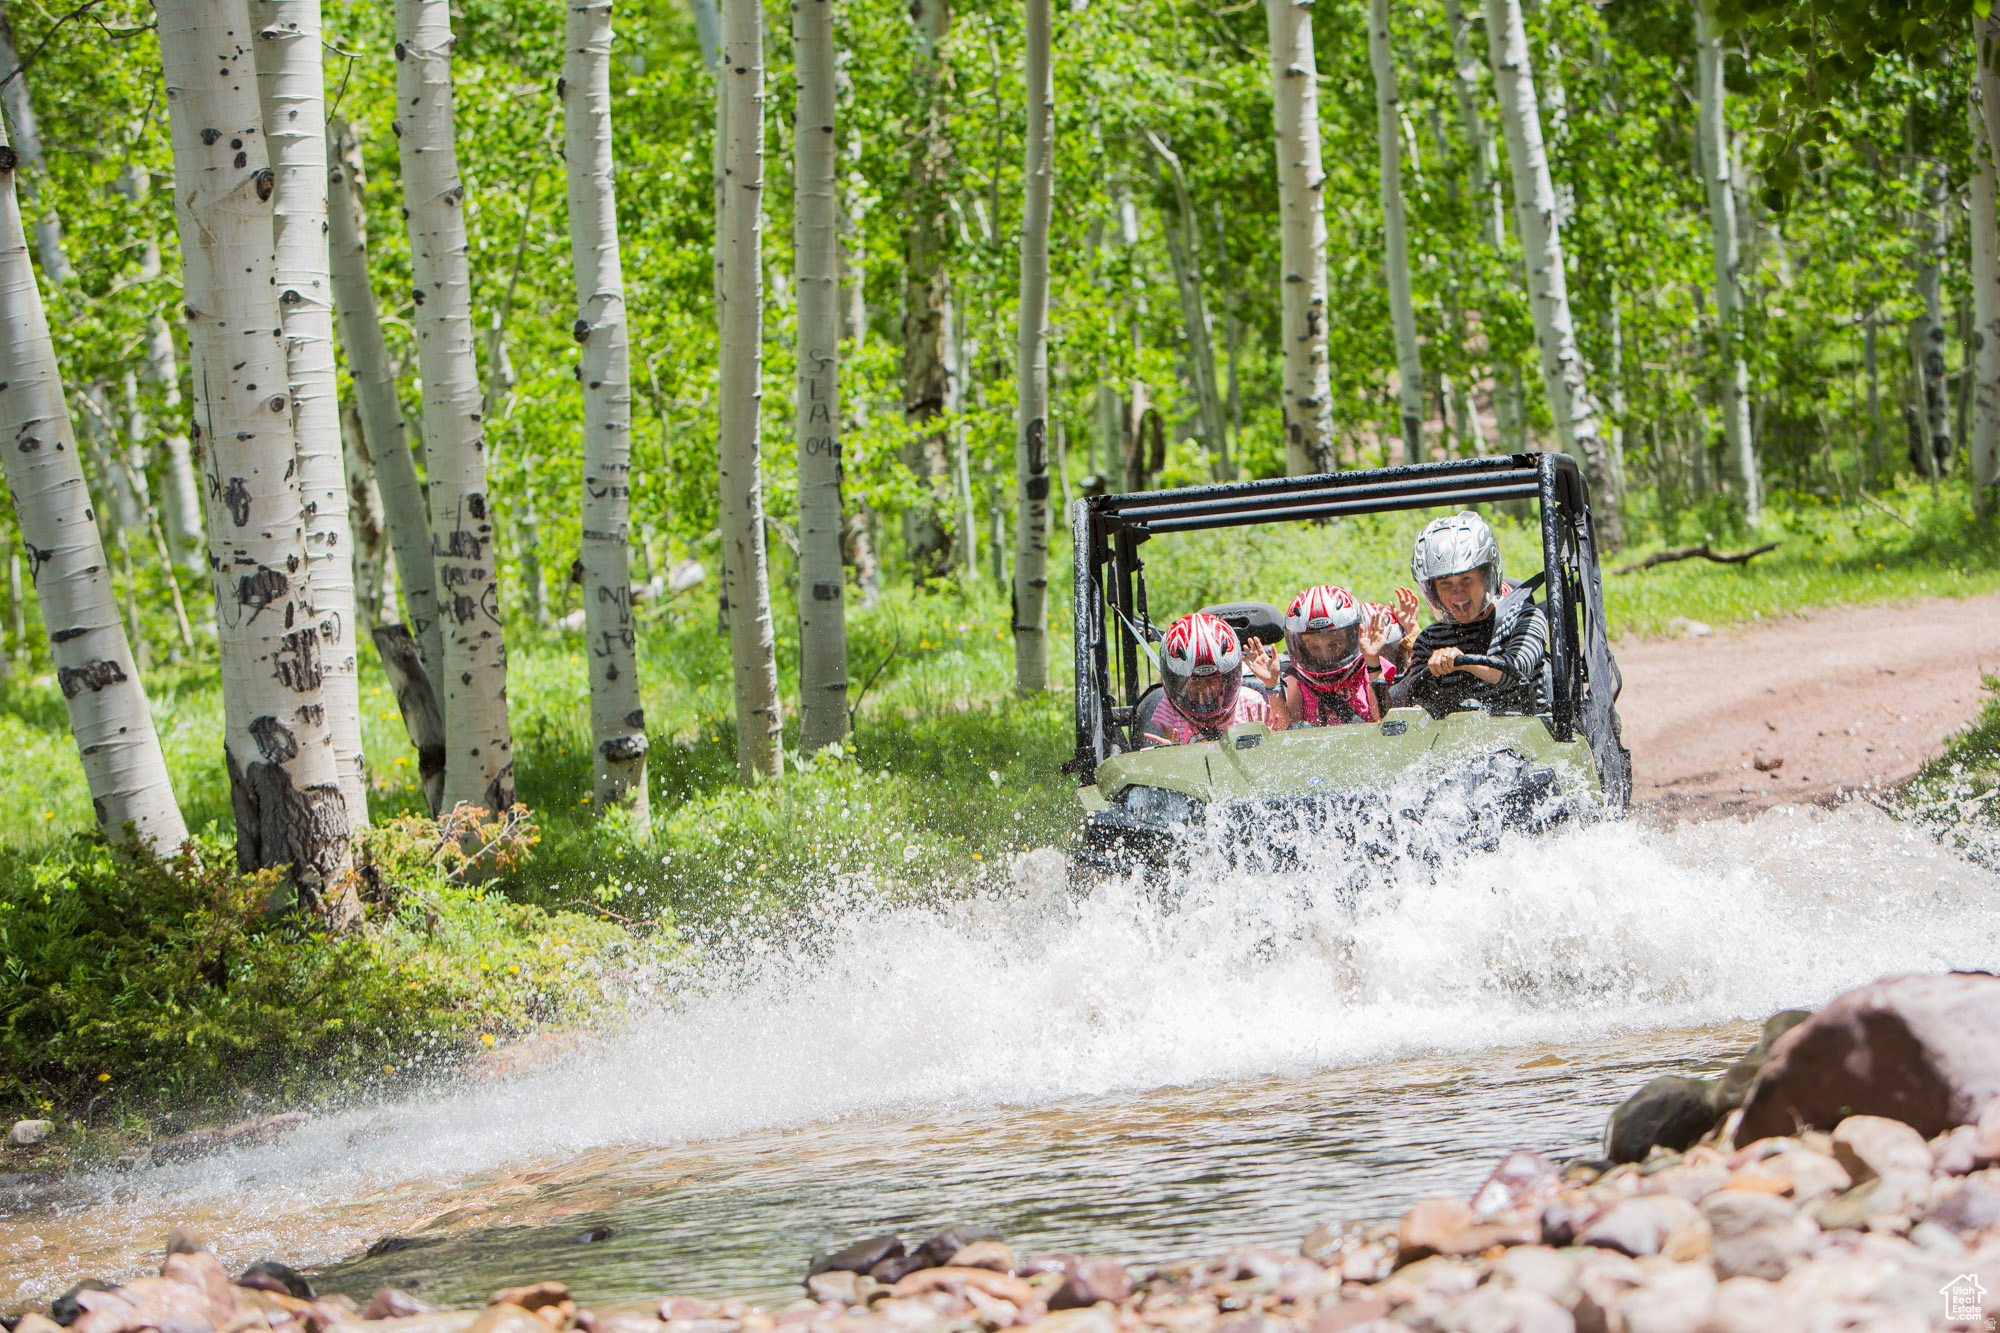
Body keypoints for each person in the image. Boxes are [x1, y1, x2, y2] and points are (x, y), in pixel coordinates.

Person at [1393, 510, 1546, 717]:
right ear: (1433, 591)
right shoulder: (1429, 640)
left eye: (1466, 579)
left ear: (1486, 577)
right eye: (1445, 583)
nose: (1457, 592)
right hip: (1457, 744)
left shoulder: (1525, 618)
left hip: (1528, 738)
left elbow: (1517, 671)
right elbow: (1415, 702)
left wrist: (1462, 661)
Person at [1257, 585, 1403, 726]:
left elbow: (1384, 721)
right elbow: (1288, 732)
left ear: (1351, 637)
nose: (1325, 653)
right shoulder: (1299, 678)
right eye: (1314, 647)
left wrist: (1372, 662)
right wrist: (1272, 685)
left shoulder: (1371, 667)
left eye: (1333, 645)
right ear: (1302, 646)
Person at [1142, 611, 1274, 745]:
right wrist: (1171, 754)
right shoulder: (1169, 709)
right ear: (1179, 682)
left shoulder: (1251, 703)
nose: (1204, 688)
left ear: (1226, 679)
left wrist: (1265, 743)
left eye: (1211, 679)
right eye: (1195, 681)